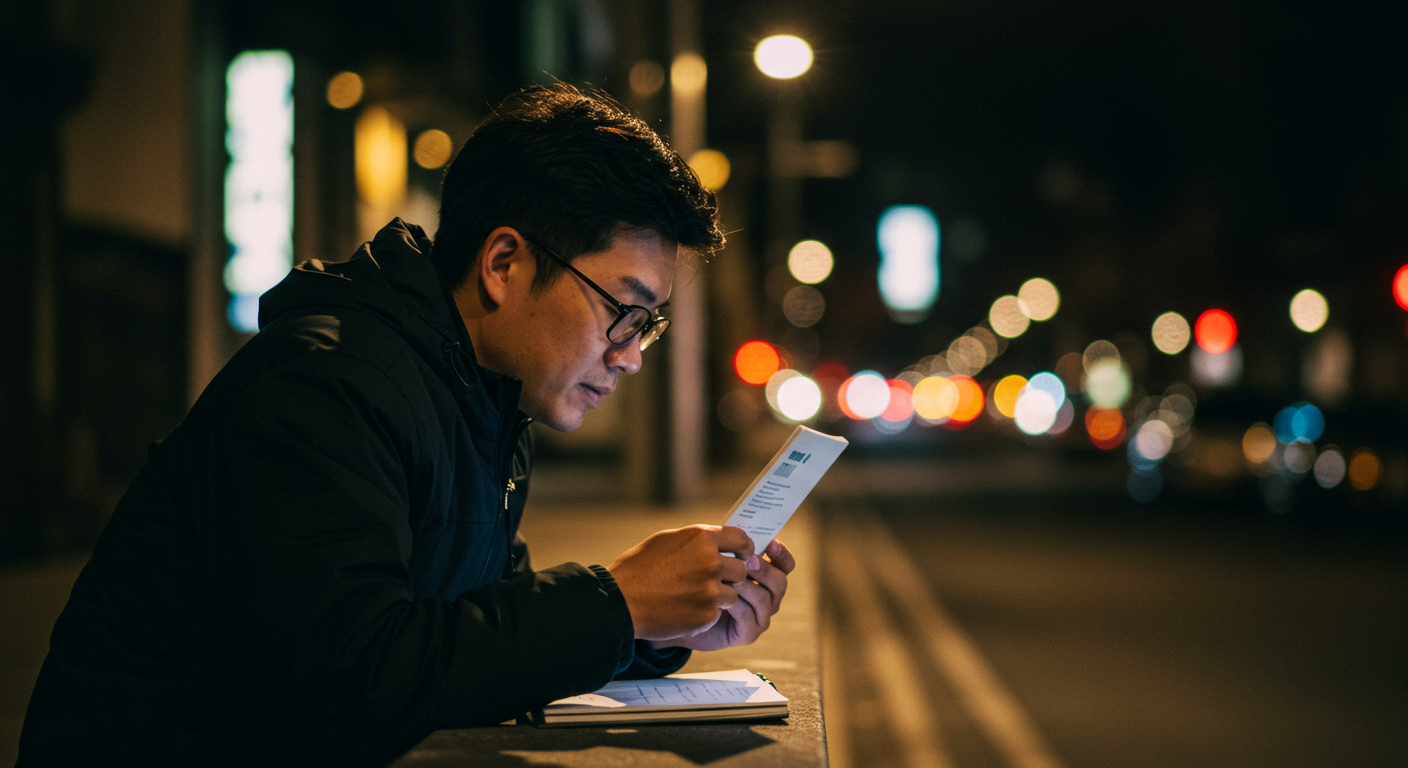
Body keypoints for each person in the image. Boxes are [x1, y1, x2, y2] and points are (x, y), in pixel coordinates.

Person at [18, 83, 794, 767]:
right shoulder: (325, 388)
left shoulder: (473, 390)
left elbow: (465, 634)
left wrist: (657, 628)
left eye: (646, 325)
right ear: (503, 264)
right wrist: (615, 602)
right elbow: (345, 687)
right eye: (622, 312)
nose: (628, 356)